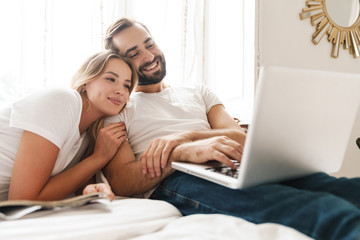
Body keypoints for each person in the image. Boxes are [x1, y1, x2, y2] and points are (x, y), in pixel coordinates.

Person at [103, 18, 360, 240]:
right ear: (120, 63)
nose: (148, 56)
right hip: (177, 179)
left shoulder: (198, 91)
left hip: (230, 162)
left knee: (340, 187)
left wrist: (188, 137)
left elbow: (239, 137)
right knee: (323, 210)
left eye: (149, 44)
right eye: (134, 53)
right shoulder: (119, 108)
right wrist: (181, 153)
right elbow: (122, 181)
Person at [0, 50, 137, 201]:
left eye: (127, 86)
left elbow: (70, 186)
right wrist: (99, 158)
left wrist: (92, 189)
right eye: (111, 79)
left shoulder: (86, 137)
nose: (121, 91)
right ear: (86, 81)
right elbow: (22, 199)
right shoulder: (62, 100)